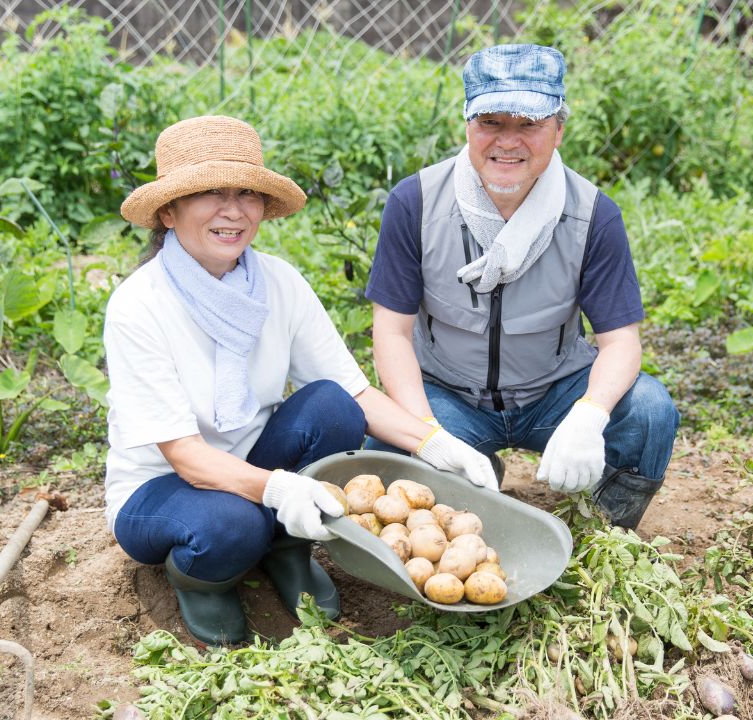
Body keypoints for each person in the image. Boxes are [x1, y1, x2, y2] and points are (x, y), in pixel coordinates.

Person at [105, 116, 496, 646]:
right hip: (162, 488)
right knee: (230, 524)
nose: (233, 210)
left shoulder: (279, 283)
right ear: (169, 212)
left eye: (247, 194)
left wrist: (437, 444)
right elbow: (185, 456)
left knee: (333, 406)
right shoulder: (140, 304)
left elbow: (354, 392)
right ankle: (203, 580)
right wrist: (279, 487)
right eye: (210, 194)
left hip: (253, 463)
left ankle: (285, 548)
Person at [365, 44, 680, 529]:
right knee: (387, 446)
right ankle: (471, 465)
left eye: (529, 124)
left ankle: (601, 536)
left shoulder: (592, 214)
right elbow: (390, 333)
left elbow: (620, 341)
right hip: (449, 397)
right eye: (491, 121)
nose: (507, 142)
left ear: (558, 129)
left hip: (554, 394)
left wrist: (590, 415)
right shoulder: (416, 202)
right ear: (467, 124)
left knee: (649, 410)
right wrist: (427, 432)